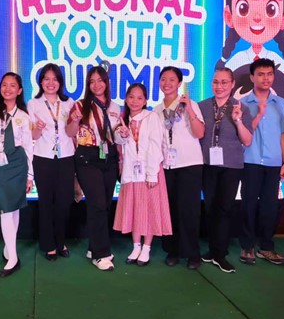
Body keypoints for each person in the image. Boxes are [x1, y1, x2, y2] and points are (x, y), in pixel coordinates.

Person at [66, 64, 121, 272]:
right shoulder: (80, 105)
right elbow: (70, 132)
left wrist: (122, 137)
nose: (96, 85)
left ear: (106, 82)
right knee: (97, 204)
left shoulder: (115, 107)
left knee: (104, 205)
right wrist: (74, 121)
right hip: (87, 158)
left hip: (109, 157)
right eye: (92, 81)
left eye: (100, 80)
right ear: (87, 85)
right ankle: (101, 254)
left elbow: (116, 135)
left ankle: (93, 246)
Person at [198, 68, 253, 273]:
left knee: (225, 209)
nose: (219, 86)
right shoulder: (202, 106)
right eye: (215, 82)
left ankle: (220, 254)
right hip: (207, 164)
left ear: (232, 84)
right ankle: (213, 250)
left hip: (231, 166)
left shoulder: (241, 108)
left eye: (224, 82)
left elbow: (247, 140)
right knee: (210, 208)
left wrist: (238, 120)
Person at [0, 72, 34, 277]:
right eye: (4, 85)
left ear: (19, 91)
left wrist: (30, 175)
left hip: (17, 163)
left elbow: (28, 147)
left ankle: (10, 252)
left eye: (13, 85)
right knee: (5, 208)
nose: (8, 89)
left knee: (14, 207)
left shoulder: (24, 117)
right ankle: (13, 255)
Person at [113, 83, 172, 266]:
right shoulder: (123, 119)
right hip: (131, 173)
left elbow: (155, 145)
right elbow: (118, 142)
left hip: (149, 172)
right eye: (131, 97)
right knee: (134, 209)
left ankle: (146, 247)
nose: (135, 101)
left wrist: (152, 174)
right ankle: (136, 246)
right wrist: (122, 134)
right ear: (126, 99)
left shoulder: (151, 117)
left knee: (149, 209)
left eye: (139, 98)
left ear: (145, 100)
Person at [216, 0, 284, 97]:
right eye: (243, 8)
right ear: (229, 16)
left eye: (270, 9)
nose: (257, 18)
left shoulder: (277, 60)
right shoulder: (236, 61)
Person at [239, 58, 284, 266]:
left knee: (270, 206)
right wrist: (258, 114)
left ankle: (266, 247)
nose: (265, 78)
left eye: (269, 74)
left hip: (274, 162)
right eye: (261, 74)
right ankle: (247, 246)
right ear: (252, 77)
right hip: (249, 160)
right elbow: (241, 133)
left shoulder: (282, 104)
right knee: (248, 204)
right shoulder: (242, 104)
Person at [155, 67, 206, 270]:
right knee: (170, 210)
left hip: (189, 164)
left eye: (171, 79)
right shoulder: (156, 110)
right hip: (166, 166)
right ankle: (173, 250)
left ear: (179, 83)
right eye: (163, 79)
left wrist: (190, 110)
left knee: (189, 211)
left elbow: (200, 133)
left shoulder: (190, 105)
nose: (167, 83)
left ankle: (193, 253)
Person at [27, 64, 76, 261]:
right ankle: (49, 245)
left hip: (66, 157)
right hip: (43, 158)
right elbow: (33, 135)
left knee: (64, 202)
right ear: (41, 82)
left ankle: (61, 241)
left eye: (55, 79)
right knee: (46, 203)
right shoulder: (33, 104)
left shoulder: (69, 103)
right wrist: (38, 128)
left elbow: (72, 132)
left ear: (60, 82)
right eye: (46, 79)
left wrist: (76, 121)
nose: (50, 83)